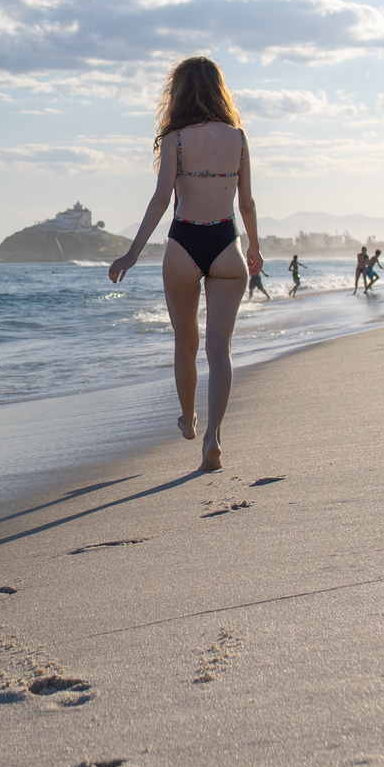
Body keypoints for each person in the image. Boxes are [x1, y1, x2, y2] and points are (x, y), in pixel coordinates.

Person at [109, 55, 261, 472]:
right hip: (226, 243)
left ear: (178, 93)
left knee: (185, 344)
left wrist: (132, 253)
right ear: (218, 90)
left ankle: (189, 419)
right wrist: (255, 246)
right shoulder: (239, 139)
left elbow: (162, 198)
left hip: (184, 244)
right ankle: (214, 437)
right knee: (219, 350)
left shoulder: (175, 139)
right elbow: (246, 202)